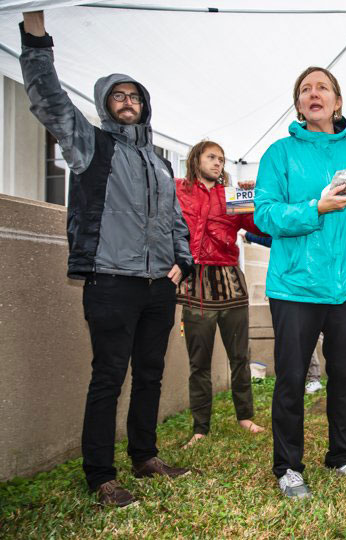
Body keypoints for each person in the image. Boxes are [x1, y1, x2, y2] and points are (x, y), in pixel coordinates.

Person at [19, 11, 194, 507]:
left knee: (152, 373)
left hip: (159, 288)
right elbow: (48, 98)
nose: (128, 102)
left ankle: (145, 456)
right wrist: (36, 36)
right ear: (103, 103)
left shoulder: (160, 163)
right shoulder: (89, 145)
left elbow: (175, 218)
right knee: (108, 377)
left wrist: (182, 260)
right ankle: (100, 476)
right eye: (119, 95)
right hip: (110, 282)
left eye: (135, 96)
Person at [253, 66, 346, 498]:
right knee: (291, 377)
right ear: (299, 104)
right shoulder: (279, 153)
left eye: (322, 88)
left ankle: (343, 454)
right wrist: (316, 207)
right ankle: (288, 467)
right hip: (295, 287)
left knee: (345, 373)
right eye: (305, 89)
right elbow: (265, 214)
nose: (314, 94)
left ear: (337, 101)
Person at [175, 140, 267, 449]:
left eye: (221, 159)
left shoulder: (232, 195)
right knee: (198, 361)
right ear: (196, 158)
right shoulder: (179, 189)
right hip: (195, 282)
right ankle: (200, 427)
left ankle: (245, 417)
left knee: (240, 356)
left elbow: (259, 226)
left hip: (230, 281)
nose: (218, 163)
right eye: (211, 157)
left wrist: (254, 196)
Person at [243, 231, 324, 394]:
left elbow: (273, 240)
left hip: (310, 286)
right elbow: (273, 240)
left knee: (309, 335)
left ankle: (313, 378)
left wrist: (248, 236)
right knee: (297, 337)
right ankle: (306, 379)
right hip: (289, 287)